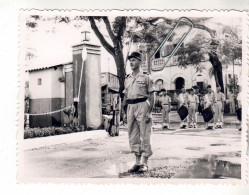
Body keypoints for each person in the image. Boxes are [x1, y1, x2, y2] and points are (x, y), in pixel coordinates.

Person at [123, 51, 155, 173]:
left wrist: (149, 111)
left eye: (134, 60)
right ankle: (137, 161)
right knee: (133, 135)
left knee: (145, 134)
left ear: (140, 62)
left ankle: (144, 162)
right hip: (131, 106)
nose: (131, 62)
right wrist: (124, 110)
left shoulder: (146, 77)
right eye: (130, 60)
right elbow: (126, 95)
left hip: (143, 105)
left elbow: (152, 95)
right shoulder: (128, 78)